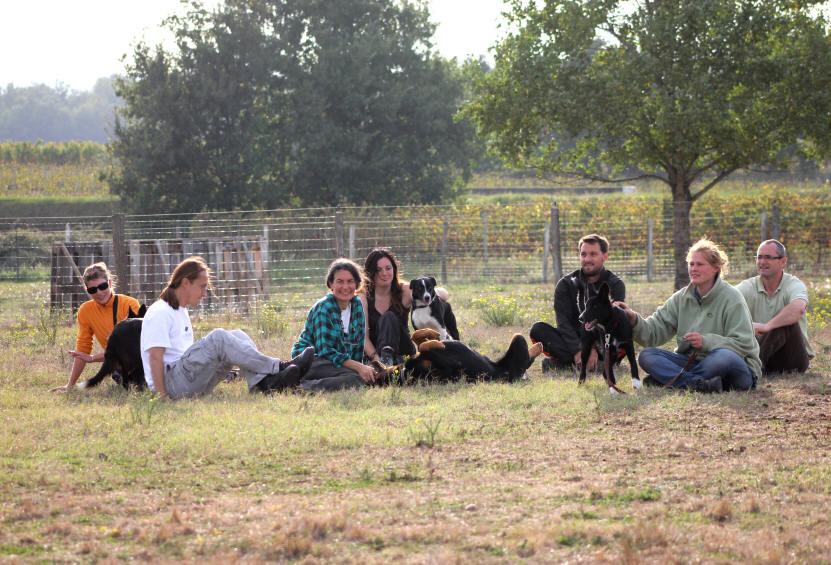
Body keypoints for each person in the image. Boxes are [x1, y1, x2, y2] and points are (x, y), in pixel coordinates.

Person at [140, 256, 313, 399]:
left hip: (187, 381)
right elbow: (155, 358)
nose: (204, 293)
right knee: (219, 337)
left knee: (237, 335)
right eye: (202, 287)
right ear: (185, 283)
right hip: (172, 386)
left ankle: (265, 385)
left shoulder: (180, 310)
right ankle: (278, 368)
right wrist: (162, 398)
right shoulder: (160, 312)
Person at [616, 239, 761, 392]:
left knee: (722, 357)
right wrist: (634, 319)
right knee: (646, 355)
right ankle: (698, 384)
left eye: (700, 264)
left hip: (736, 367)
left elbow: (743, 344)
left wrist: (705, 341)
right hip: (693, 363)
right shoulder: (681, 298)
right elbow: (653, 333)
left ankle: (672, 380)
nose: (693, 269)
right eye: (691, 264)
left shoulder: (732, 298)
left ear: (715, 268)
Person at [529, 234, 625, 372]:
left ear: (605, 256)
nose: (587, 259)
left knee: (627, 325)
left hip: (603, 342)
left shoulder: (615, 284)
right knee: (537, 329)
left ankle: (566, 366)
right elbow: (563, 323)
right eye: (583, 254)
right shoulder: (565, 285)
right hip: (573, 341)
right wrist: (578, 349)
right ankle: (592, 365)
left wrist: (593, 347)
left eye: (593, 254)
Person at [50, 262, 141, 392]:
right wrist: (69, 385)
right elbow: (83, 349)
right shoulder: (86, 310)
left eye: (103, 286)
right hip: (120, 366)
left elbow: (134, 349)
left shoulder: (129, 304)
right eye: (92, 290)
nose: (99, 292)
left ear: (109, 283)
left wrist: (93, 358)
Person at [292, 258, 378, 392]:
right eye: (340, 281)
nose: (345, 287)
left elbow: (357, 349)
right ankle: (300, 387)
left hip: (336, 364)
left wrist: (361, 368)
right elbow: (325, 351)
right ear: (331, 284)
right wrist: (359, 368)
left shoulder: (356, 305)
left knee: (359, 378)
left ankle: (308, 384)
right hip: (311, 361)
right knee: (356, 378)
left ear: (356, 285)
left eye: (350, 281)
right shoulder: (324, 308)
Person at [735, 239, 813, 373]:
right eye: (759, 257)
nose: (762, 262)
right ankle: (746, 365)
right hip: (761, 352)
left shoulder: (794, 284)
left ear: (783, 262)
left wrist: (767, 326)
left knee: (787, 322)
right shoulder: (748, 286)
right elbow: (726, 300)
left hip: (792, 359)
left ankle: (748, 369)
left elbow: (798, 308)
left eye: (768, 257)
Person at [360, 248, 417, 367]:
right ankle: (386, 363)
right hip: (377, 353)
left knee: (389, 317)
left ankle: (394, 363)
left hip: (404, 350)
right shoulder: (363, 297)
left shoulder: (404, 290)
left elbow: (438, 293)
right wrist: (377, 359)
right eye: (378, 270)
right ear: (370, 273)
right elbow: (364, 337)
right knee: (387, 317)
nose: (384, 273)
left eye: (388, 268)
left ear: (394, 269)